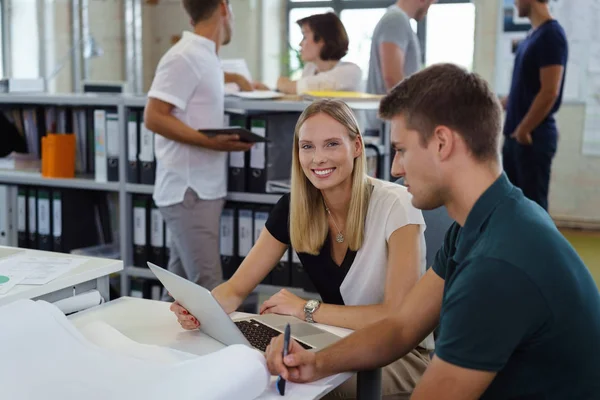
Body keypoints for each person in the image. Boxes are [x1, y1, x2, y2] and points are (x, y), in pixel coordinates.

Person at [266, 64, 600, 400]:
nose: (395, 168)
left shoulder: (497, 264)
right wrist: (316, 363)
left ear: (441, 143)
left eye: (401, 150)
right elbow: (401, 327)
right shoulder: (484, 222)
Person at [171, 99, 434, 398]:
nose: (318, 158)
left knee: (296, 386)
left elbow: (395, 316)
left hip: (400, 355)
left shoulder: (396, 205)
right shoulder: (294, 207)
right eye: (307, 146)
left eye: (332, 144)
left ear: (357, 146)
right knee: (246, 371)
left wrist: (305, 309)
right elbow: (234, 290)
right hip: (337, 341)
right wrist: (201, 310)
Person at [144, 0, 253, 296]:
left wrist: (239, 80)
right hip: (189, 192)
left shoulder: (205, 57)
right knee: (209, 290)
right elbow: (153, 116)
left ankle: (163, 343)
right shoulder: (185, 55)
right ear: (223, 7)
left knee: (180, 293)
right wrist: (211, 143)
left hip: (200, 190)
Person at [501, 0, 568, 211]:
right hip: (515, 138)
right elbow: (523, 91)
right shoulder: (532, 36)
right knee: (514, 209)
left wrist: (524, 129)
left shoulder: (551, 35)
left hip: (531, 138)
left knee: (534, 212)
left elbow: (550, 91)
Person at [364, 0, 436, 134]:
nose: (428, 9)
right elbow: (392, 78)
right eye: (431, 3)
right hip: (388, 130)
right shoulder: (395, 20)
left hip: (390, 127)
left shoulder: (398, 20)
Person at [272, 13, 362, 95]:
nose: (300, 44)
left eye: (305, 37)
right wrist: (269, 90)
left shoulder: (350, 72)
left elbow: (301, 88)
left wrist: (283, 84)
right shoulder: (310, 68)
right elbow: (297, 93)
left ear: (322, 39)